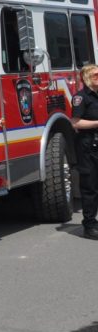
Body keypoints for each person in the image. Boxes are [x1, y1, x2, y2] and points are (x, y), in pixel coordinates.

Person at [70, 63, 98, 239]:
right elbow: (75, 123)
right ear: (87, 78)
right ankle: (89, 225)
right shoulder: (81, 98)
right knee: (90, 187)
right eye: (96, 75)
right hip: (88, 147)